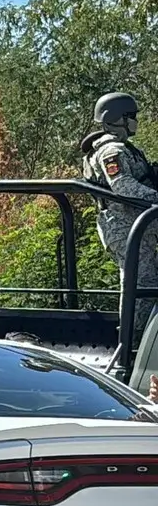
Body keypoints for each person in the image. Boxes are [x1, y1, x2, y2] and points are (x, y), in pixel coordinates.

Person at [81, 92, 158, 344]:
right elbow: (122, 185)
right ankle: (133, 343)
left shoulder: (125, 149)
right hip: (125, 228)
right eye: (131, 116)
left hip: (137, 225)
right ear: (116, 118)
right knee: (139, 284)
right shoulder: (111, 151)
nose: (135, 121)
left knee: (145, 282)